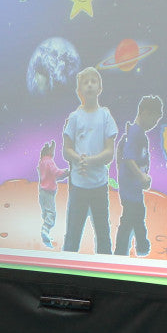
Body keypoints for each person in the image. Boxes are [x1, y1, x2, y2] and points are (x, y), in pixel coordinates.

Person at [61, 67, 117, 254]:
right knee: (73, 234)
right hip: (78, 186)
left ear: (100, 87)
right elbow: (66, 150)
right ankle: (65, 274)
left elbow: (110, 152)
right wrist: (79, 159)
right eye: (85, 82)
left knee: (103, 233)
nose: (90, 84)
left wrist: (91, 161)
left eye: (94, 81)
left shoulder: (106, 115)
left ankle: (107, 274)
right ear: (79, 91)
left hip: (99, 186)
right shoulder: (74, 117)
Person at [114, 95, 162, 257]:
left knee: (138, 215)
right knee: (128, 220)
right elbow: (128, 159)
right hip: (129, 189)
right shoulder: (135, 132)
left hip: (135, 189)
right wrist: (141, 176)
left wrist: (143, 178)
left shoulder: (139, 134)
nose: (154, 124)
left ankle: (142, 245)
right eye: (154, 119)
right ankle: (120, 252)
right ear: (145, 113)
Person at [36, 142, 69, 249]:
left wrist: (64, 175)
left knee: (46, 212)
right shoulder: (49, 161)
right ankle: (45, 229)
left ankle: (46, 234)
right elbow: (56, 173)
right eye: (53, 150)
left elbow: (53, 176)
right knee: (51, 213)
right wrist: (67, 172)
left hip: (42, 192)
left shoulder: (42, 162)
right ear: (49, 151)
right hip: (48, 192)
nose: (54, 153)